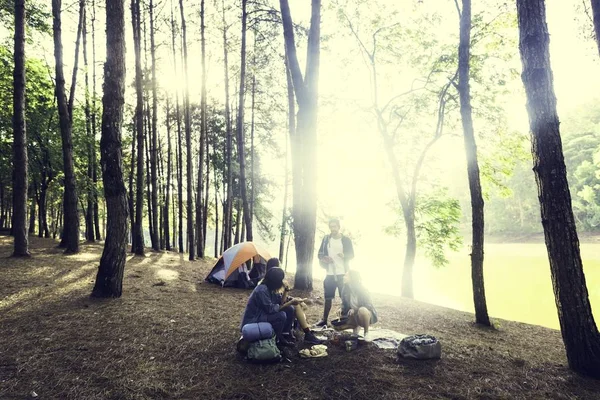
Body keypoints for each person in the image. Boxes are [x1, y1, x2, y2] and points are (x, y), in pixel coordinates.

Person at [240, 267, 322, 347]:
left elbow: (280, 302)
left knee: (290, 309)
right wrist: (290, 302)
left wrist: (286, 291)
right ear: (275, 281)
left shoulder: (270, 287)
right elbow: (271, 310)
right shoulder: (262, 290)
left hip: (263, 314)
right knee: (281, 315)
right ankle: (277, 340)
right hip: (255, 318)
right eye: (281, 280)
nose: (282, 281)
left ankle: (284, 335)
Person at [315, 218, 354, 328]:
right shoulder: (326, 239)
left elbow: (352, 254)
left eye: (335, 226)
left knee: (345, 297)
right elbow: (319, 254)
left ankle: (346, 320)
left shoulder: (346, 240)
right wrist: (324, 258)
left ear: (338, 227)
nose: (333, 229)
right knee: (328, 297)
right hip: (330, 273)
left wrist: (344, 256)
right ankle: (324, 320)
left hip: (343, 273)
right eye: (331, 227)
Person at [341, 270, 378, 340]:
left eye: (346, 276)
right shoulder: (345, 289)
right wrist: (341, 309)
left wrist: (354, 310)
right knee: (342, 315)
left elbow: (368, 305)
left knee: (362, 310)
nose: (343, 277)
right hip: (353, 314)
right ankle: (355, 330)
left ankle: (366, 333)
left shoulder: (362, 289)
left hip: (365, 314)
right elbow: (344, 304)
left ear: (352, 278)